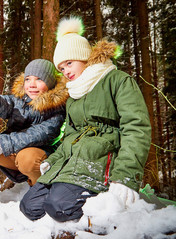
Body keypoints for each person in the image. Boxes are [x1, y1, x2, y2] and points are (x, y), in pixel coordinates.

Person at [20, 16, 152, 222]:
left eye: (69, 63)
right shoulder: (73, 93)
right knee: (29, 207)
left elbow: (136, 127)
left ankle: (101, 201)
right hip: (72, 161)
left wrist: (126, 175)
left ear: (83, 57)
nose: (66, 72)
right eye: (62, 68)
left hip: (102, 159)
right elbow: (70, 135)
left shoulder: (117, 80)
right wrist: (53, 161)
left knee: (59, 207)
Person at [0, 59, 69, 218]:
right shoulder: (18, 101)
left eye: (39, 79)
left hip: (38, 159)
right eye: (28, 79)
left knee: (27, 158)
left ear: (50, 83)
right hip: (13, 154)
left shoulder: (57, 108)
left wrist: (1, 144)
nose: (32, 84)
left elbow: (40, 133)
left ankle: (39, 191)